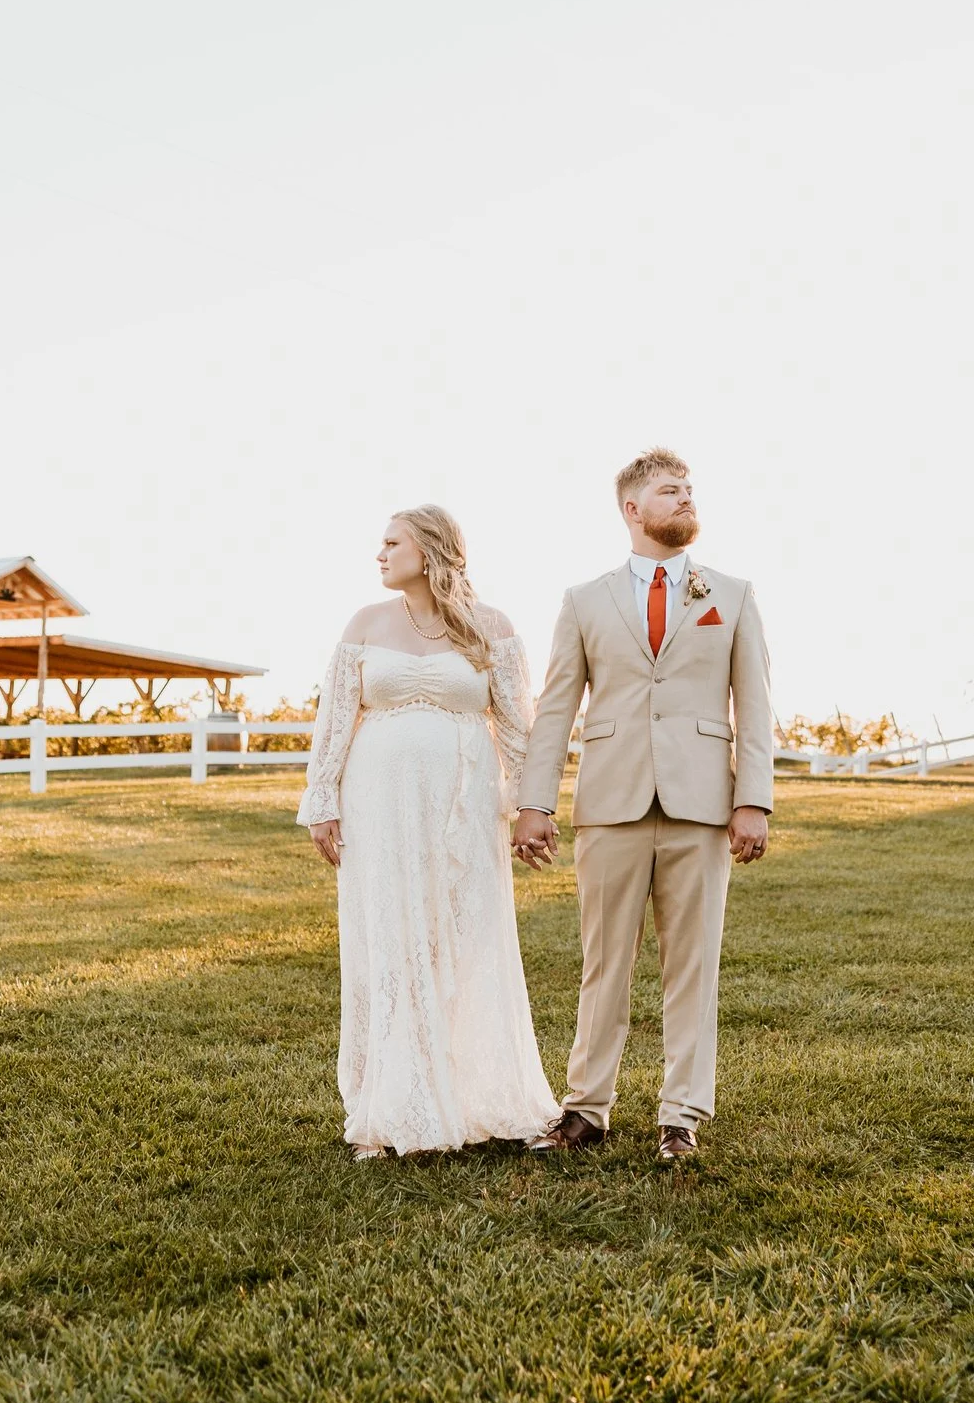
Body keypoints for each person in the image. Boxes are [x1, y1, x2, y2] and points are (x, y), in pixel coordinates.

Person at [513, 449, 773, 1165]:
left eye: (689, 489)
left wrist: (753, 800)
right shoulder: (584, 600)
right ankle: (586, 1108)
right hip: (611, 803)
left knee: (694, 965)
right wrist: (535, 801)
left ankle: (680, 1117)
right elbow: (556, 706)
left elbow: (755, 707)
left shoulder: (734, 594)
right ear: (633, 508)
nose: (685, 497)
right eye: (670, 490)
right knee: (604, 966)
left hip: (701, 806)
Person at [298, 505, 561, 1158]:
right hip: (377, 807)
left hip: (463, 808)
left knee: (466, 939)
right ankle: (396, 1108)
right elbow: (334, 721)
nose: (380, 553)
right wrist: (322, 799)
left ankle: (481, 1096)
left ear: (431, 549)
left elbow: (518, 728)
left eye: (392, 542)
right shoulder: (365, 623)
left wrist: (532, 807)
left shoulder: (490, 626)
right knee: (391, 938)